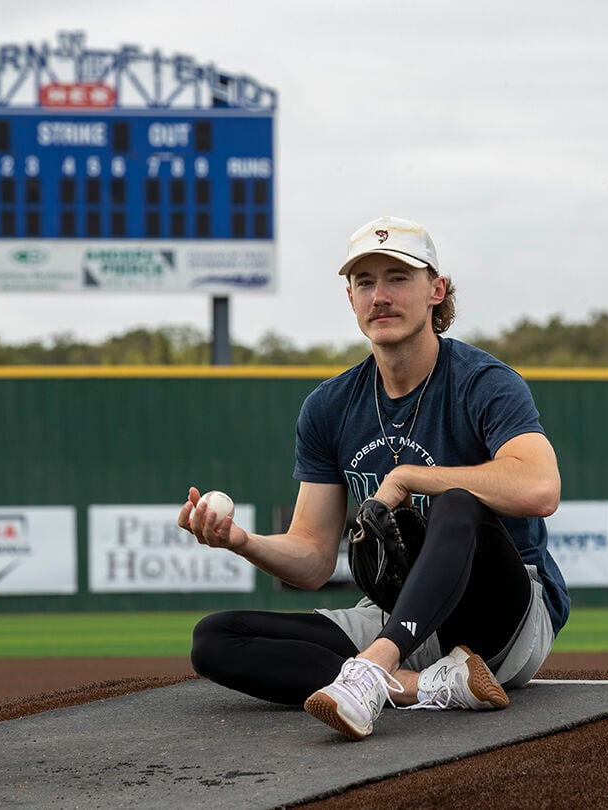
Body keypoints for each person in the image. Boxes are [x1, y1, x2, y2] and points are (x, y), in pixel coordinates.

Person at [179, 215, 569, 740]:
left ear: (436, 290)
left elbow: (541, 489)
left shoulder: (484, 382)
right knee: (217, 638)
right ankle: (416, 686)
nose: (380, 296)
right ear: (351, 298)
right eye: (365, 283)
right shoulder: (331, 405)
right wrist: (241, 541)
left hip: (502, 616)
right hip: (395, 612)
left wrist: (408, 476)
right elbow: (313, 559)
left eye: (398, 278)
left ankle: (374, 668)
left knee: (457, 501)